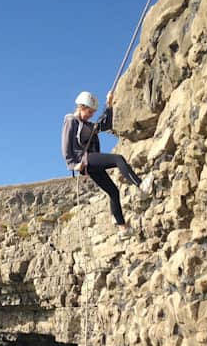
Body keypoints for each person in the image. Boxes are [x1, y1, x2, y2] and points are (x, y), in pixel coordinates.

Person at [61, 90, 153, 240]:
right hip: (84, 160)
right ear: (81, 107)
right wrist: (73, 164)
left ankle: (122, 228)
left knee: (113, 192)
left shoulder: (88, 125)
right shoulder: (70, 120)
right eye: (89, 112)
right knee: (118, 159)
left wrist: (109, 104)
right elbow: (65, 146)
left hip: (90, 163)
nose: (91, 115)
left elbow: (105, 124)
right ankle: (141, 185)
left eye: (92, 112)